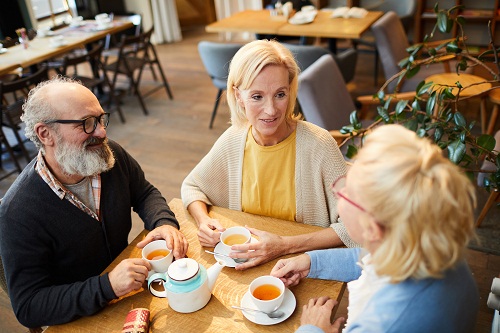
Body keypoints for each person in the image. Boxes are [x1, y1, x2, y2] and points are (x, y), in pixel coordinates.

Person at [0, 77, 189, 328]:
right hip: (79, 319)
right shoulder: (17, 212)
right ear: (45, 134)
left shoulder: (108, 156)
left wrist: (163, 222)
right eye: (86, 124)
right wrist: (107, 285)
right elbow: (30, 306)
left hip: (129, 293)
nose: (101, 132)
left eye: (101, 119)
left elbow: (144, 192)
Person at [270, 124, 479, 333]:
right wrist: (311, 262)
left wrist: (312, 329)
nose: (337, 192)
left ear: (372, 229)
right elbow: (372, 259)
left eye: (348, 191)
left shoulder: (385, 324)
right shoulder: (429, 243)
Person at [181, 39, 356, 271]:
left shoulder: (320, 144)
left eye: (280, 94)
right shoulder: (233, 139)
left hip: (303, 268)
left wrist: (283, 245)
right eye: (257, 96)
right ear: (238, 96)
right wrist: (204, 222)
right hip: (246, 267)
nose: (271, 110)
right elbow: (192, 187)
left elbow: (354, 227)